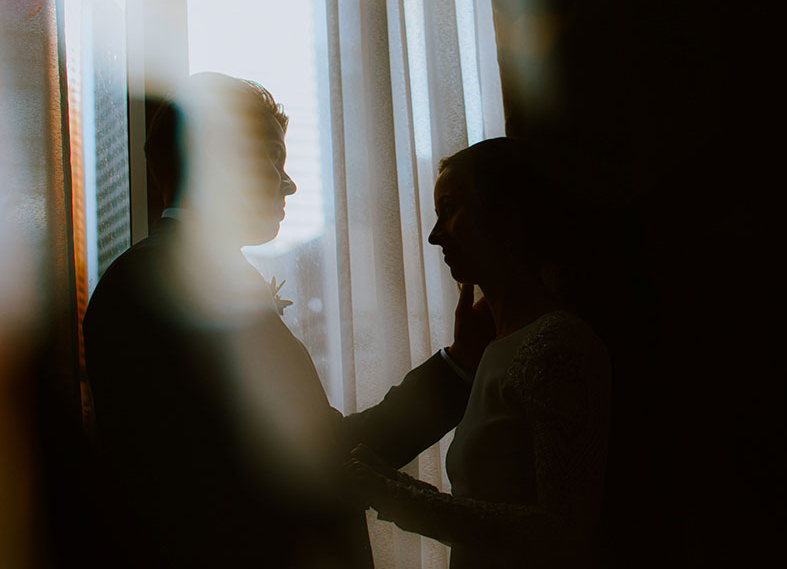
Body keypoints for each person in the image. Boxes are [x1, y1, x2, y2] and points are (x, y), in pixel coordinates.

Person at [82, 72, 490, 568]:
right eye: (275, 160)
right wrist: (456, 370)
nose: (291, 184)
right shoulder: (170, 287)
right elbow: (310, 461)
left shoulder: (164, 277)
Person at [345, 137, 612, 568]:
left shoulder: (560, 343)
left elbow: (563, 530)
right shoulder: (495, 349)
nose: (434, 236)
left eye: (448, 210)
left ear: (505, 214)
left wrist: (400, 498)